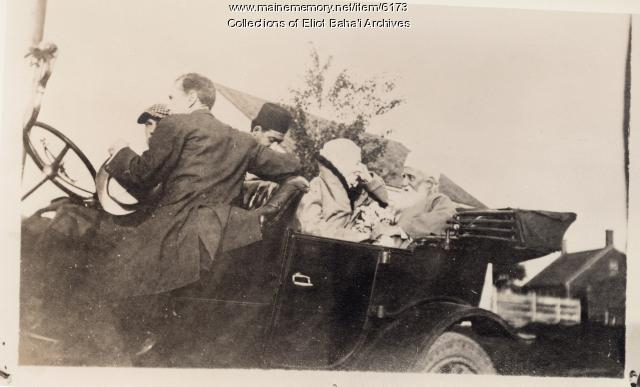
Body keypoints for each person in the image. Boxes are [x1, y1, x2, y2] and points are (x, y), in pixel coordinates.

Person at [294, 138, 401, 244]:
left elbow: (384, 201)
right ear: (340, 165)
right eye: (356, 163)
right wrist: (357, 237)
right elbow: (311, 228)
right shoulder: (315, 187)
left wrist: (369, 180)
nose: (360, 169)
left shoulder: (355, 190)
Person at [396, 152, 458, 238]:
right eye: (404, 176)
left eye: (411, 177)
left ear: (428, 183)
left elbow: (446, 217)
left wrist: (399, 230)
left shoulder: (438, 199)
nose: (404, 183)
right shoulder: (406, 205)